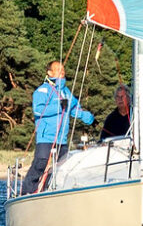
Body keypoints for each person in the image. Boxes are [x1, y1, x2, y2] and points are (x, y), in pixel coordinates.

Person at [26, 60, 94, 193]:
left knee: (62, 168)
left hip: (61, 139)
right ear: (49, 73)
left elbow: (73, 109)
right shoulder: (43, 90)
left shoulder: (66, 92)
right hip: (46, 137)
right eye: (58, 69)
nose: (61, 71)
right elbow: (38, 110)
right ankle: (27, 192)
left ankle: (50, 191)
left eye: (63, 69)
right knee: (40, 164)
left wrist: (86, 116)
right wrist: (58, 106)